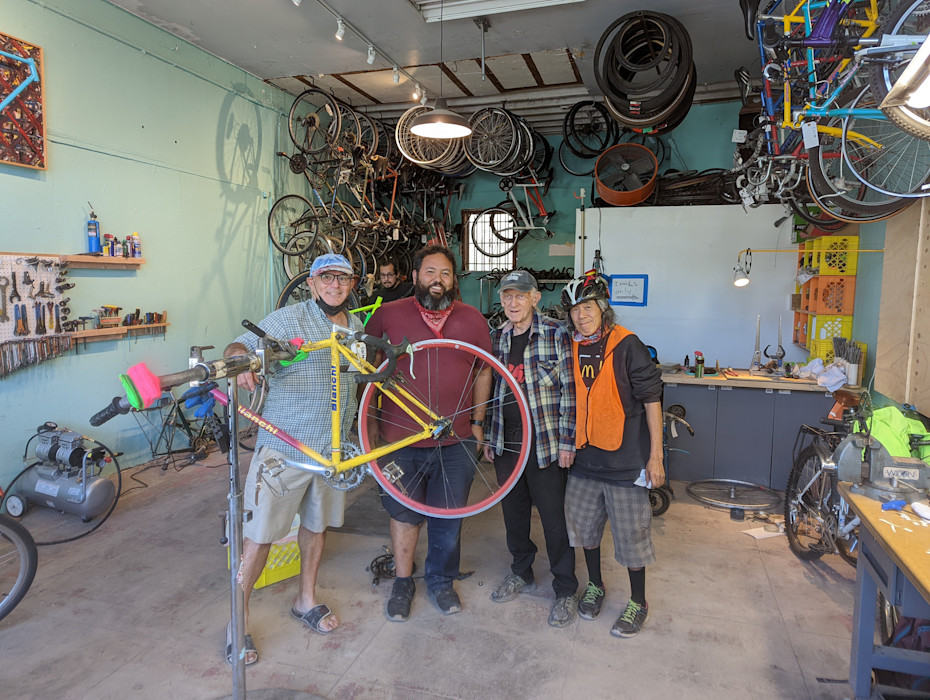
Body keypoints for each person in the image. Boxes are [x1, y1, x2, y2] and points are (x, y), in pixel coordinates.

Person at [223, 253, 363, 665]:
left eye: (343, 278)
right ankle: (238, 621)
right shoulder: (288, 319)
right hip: (284, 450)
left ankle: (305, 599)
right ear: (312, 282)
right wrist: (240, 362)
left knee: (317, 528)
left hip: (331, 452)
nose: (335, 285)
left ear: (352, 285)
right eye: (326, 277)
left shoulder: (355, 327)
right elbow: (239, 345)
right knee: (259, 537)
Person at [365, 244, 492, 621]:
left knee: (448, 516)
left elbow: (484, 369)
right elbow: (368, 369)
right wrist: (369, 424)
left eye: (446, 273)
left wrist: (478, 422)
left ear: (454, 280)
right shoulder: (388, 313)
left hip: (456, 439)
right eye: (431, 272)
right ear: (416, 276)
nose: (438, 279)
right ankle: (403, 582)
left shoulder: (472, 319)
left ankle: (441, 581)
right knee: (404, 514)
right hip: (399, 439)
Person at [560, 273, 664, 638]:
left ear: (603, 309)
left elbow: (652, 399)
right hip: (584, 462)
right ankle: (595, 585)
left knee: (632, 539)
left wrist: (656, 457)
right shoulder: (569, 346)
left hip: (625, 463)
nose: (581, 316)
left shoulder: (627, 344)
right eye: (575, 310)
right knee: (584, 531)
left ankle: (638, 601)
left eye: (588, 307)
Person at [484, 270, 579, 627]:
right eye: (507, 296)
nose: (512, 302)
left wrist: (568, 442)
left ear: (535, 298)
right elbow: (492, 390)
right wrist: (490, 436)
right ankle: (521, 572)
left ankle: (565, 588)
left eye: (520, 295)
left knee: (554, 520)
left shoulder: (556, 334)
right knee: (514, 514)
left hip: (545, 442)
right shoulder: (497, 337)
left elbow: (569, 392)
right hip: (507, 440)